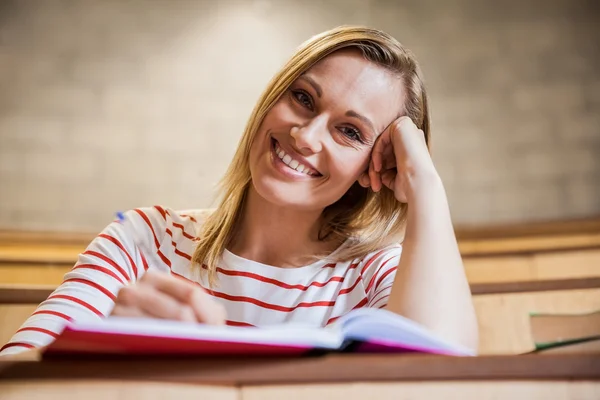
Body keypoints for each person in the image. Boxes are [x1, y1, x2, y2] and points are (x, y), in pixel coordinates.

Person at [0, 26, 478, 356]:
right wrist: (108, 348)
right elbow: (18, 375)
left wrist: (427, 187)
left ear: (374, 165)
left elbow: (443, 381)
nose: (306, 137)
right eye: (303, 98)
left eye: (350, 132)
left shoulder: (374, 275)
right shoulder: (144, 238)